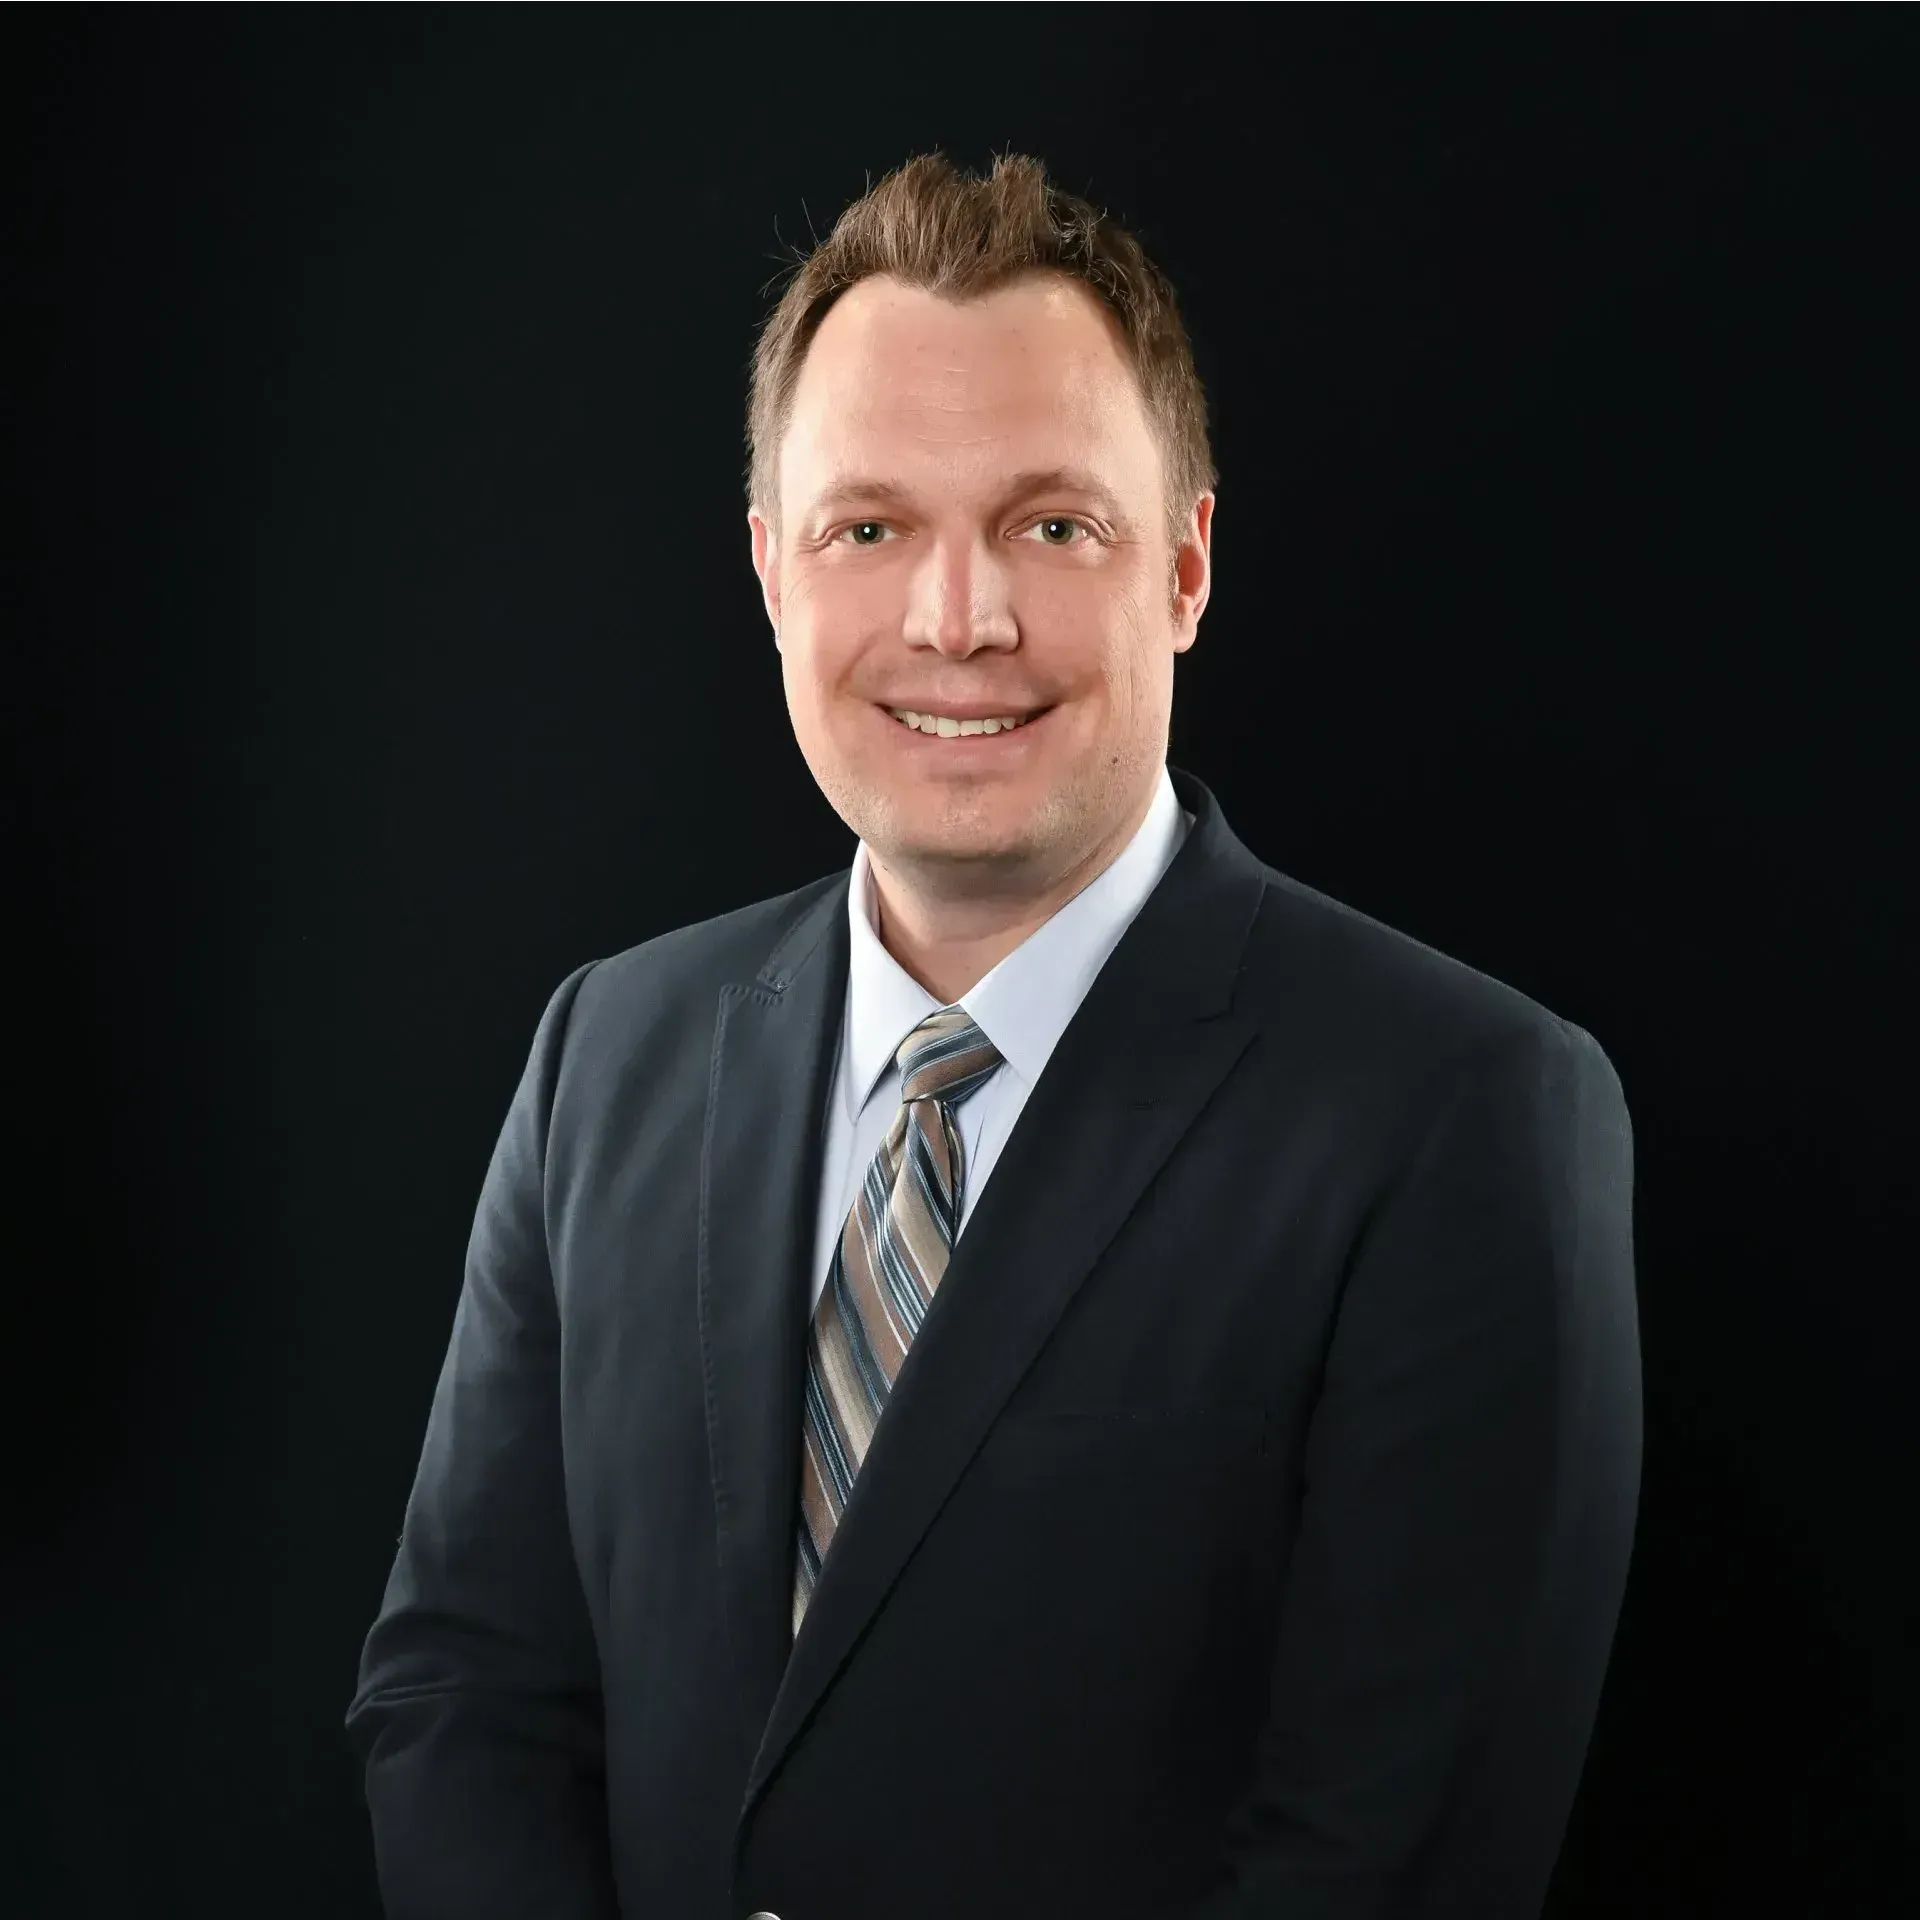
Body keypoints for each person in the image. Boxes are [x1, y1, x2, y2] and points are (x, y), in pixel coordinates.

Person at [344, 149, 1642, 1920]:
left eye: (1052, 523)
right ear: (771, 574)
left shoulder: (1464, 1115)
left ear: (1182, 566)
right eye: (869, 529)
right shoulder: (606, 1057)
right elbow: (463, 1692)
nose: (959, 621)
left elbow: (1384, 1862)